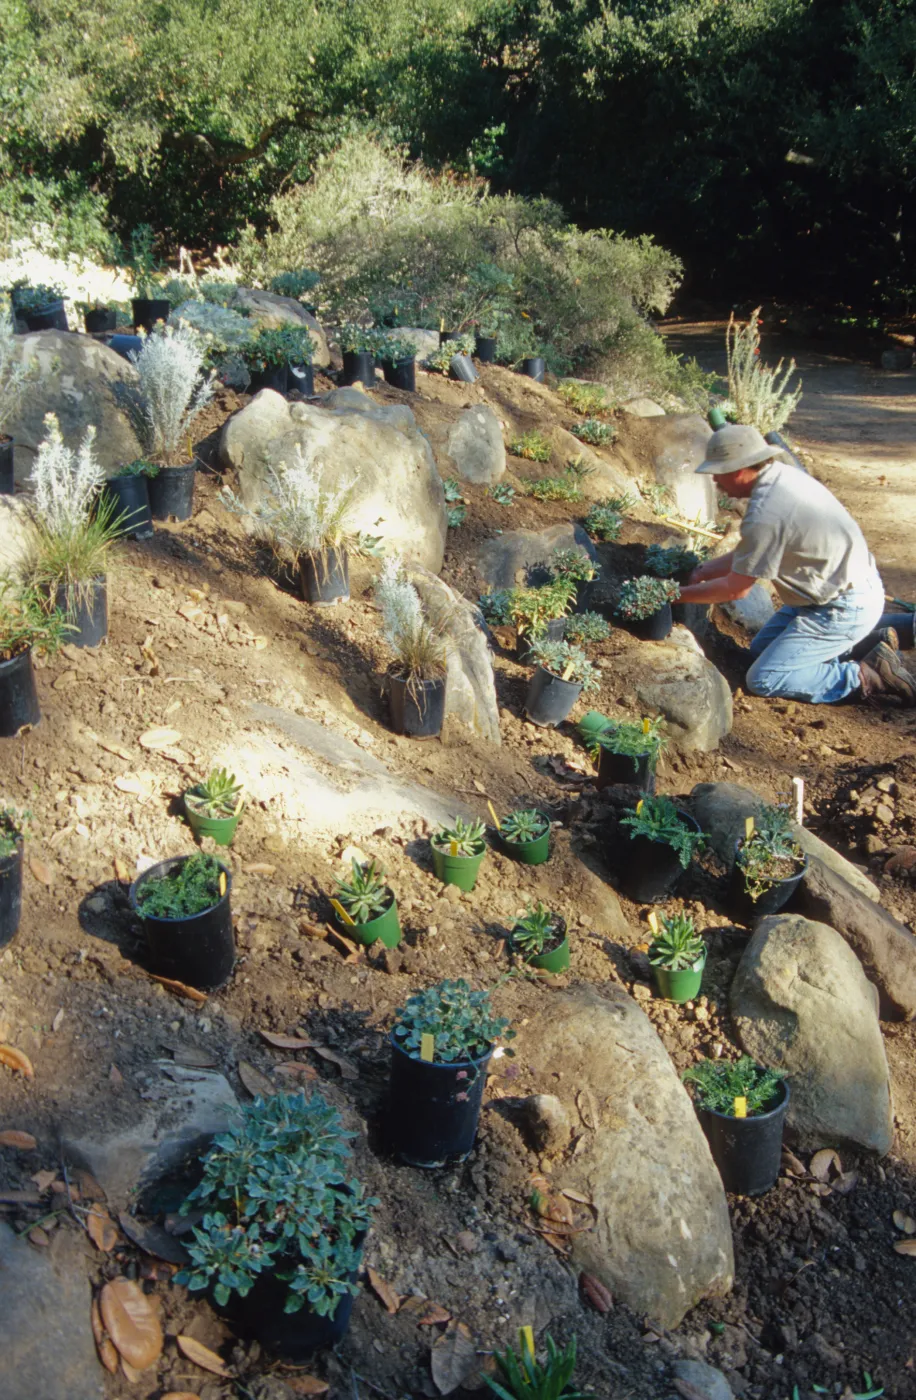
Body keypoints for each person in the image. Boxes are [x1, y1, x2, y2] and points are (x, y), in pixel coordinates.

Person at [677, 423, 916, 706]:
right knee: (761, 649)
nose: (715, 482)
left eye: (718, 474)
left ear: (738, 471)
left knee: (765, 678)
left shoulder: (766, 513)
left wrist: (674, 595)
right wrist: (705, 571)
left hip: (842, 607)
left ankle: (867, 674)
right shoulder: (781, 476)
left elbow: (735, 590)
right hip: (837, 590)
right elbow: (752, 552)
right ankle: (870, 641)